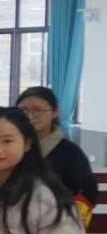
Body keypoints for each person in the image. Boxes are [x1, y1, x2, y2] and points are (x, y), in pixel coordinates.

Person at [16, 86, 97, 226]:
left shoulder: (71, 153)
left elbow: (87, 193)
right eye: (23, 110)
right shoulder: (8, 147)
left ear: (55, 112)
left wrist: (63, 223)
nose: (29, 115)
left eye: (38, 110)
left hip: (55, 225)